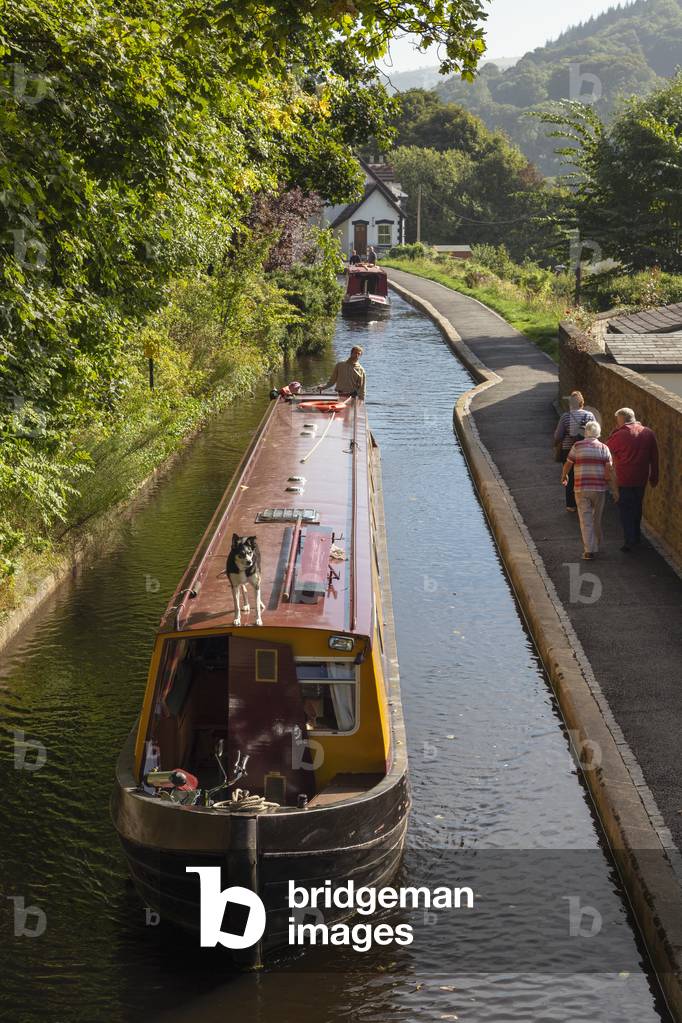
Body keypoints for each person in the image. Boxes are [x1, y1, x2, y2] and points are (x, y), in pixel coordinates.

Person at [562, 420, 619, 560]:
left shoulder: (577, 446)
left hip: (581, 487)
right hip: (599, 489)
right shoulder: (604, 448)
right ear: (598, 433)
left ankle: (589, 550)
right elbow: (609, 471)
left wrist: (564, 475)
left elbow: (568, 463)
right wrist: (615, 490)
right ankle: (597, 544)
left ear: (585, 432)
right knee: (596, 518)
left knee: (585, 519)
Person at [606, 407, 659, 552]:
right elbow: (655, 458)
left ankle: (630, 540)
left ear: (621, 420)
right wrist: (654, 477)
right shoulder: (648, 433)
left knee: (626, 510)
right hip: (641, 478)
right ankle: (636, 536)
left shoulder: (620, 434)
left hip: (624, 478)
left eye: (617, 421)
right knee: (637, 507)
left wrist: (614, 431)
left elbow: (607, 448)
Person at [553, 391, 596, 511]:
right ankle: (585, 503)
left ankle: (571, 505)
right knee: (585, 477)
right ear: (582, 402)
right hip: (585, 450)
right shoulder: (590, 416)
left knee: (569, 476)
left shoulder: (566, 417)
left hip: (568, 450)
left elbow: (558, 436)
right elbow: (595, 433)